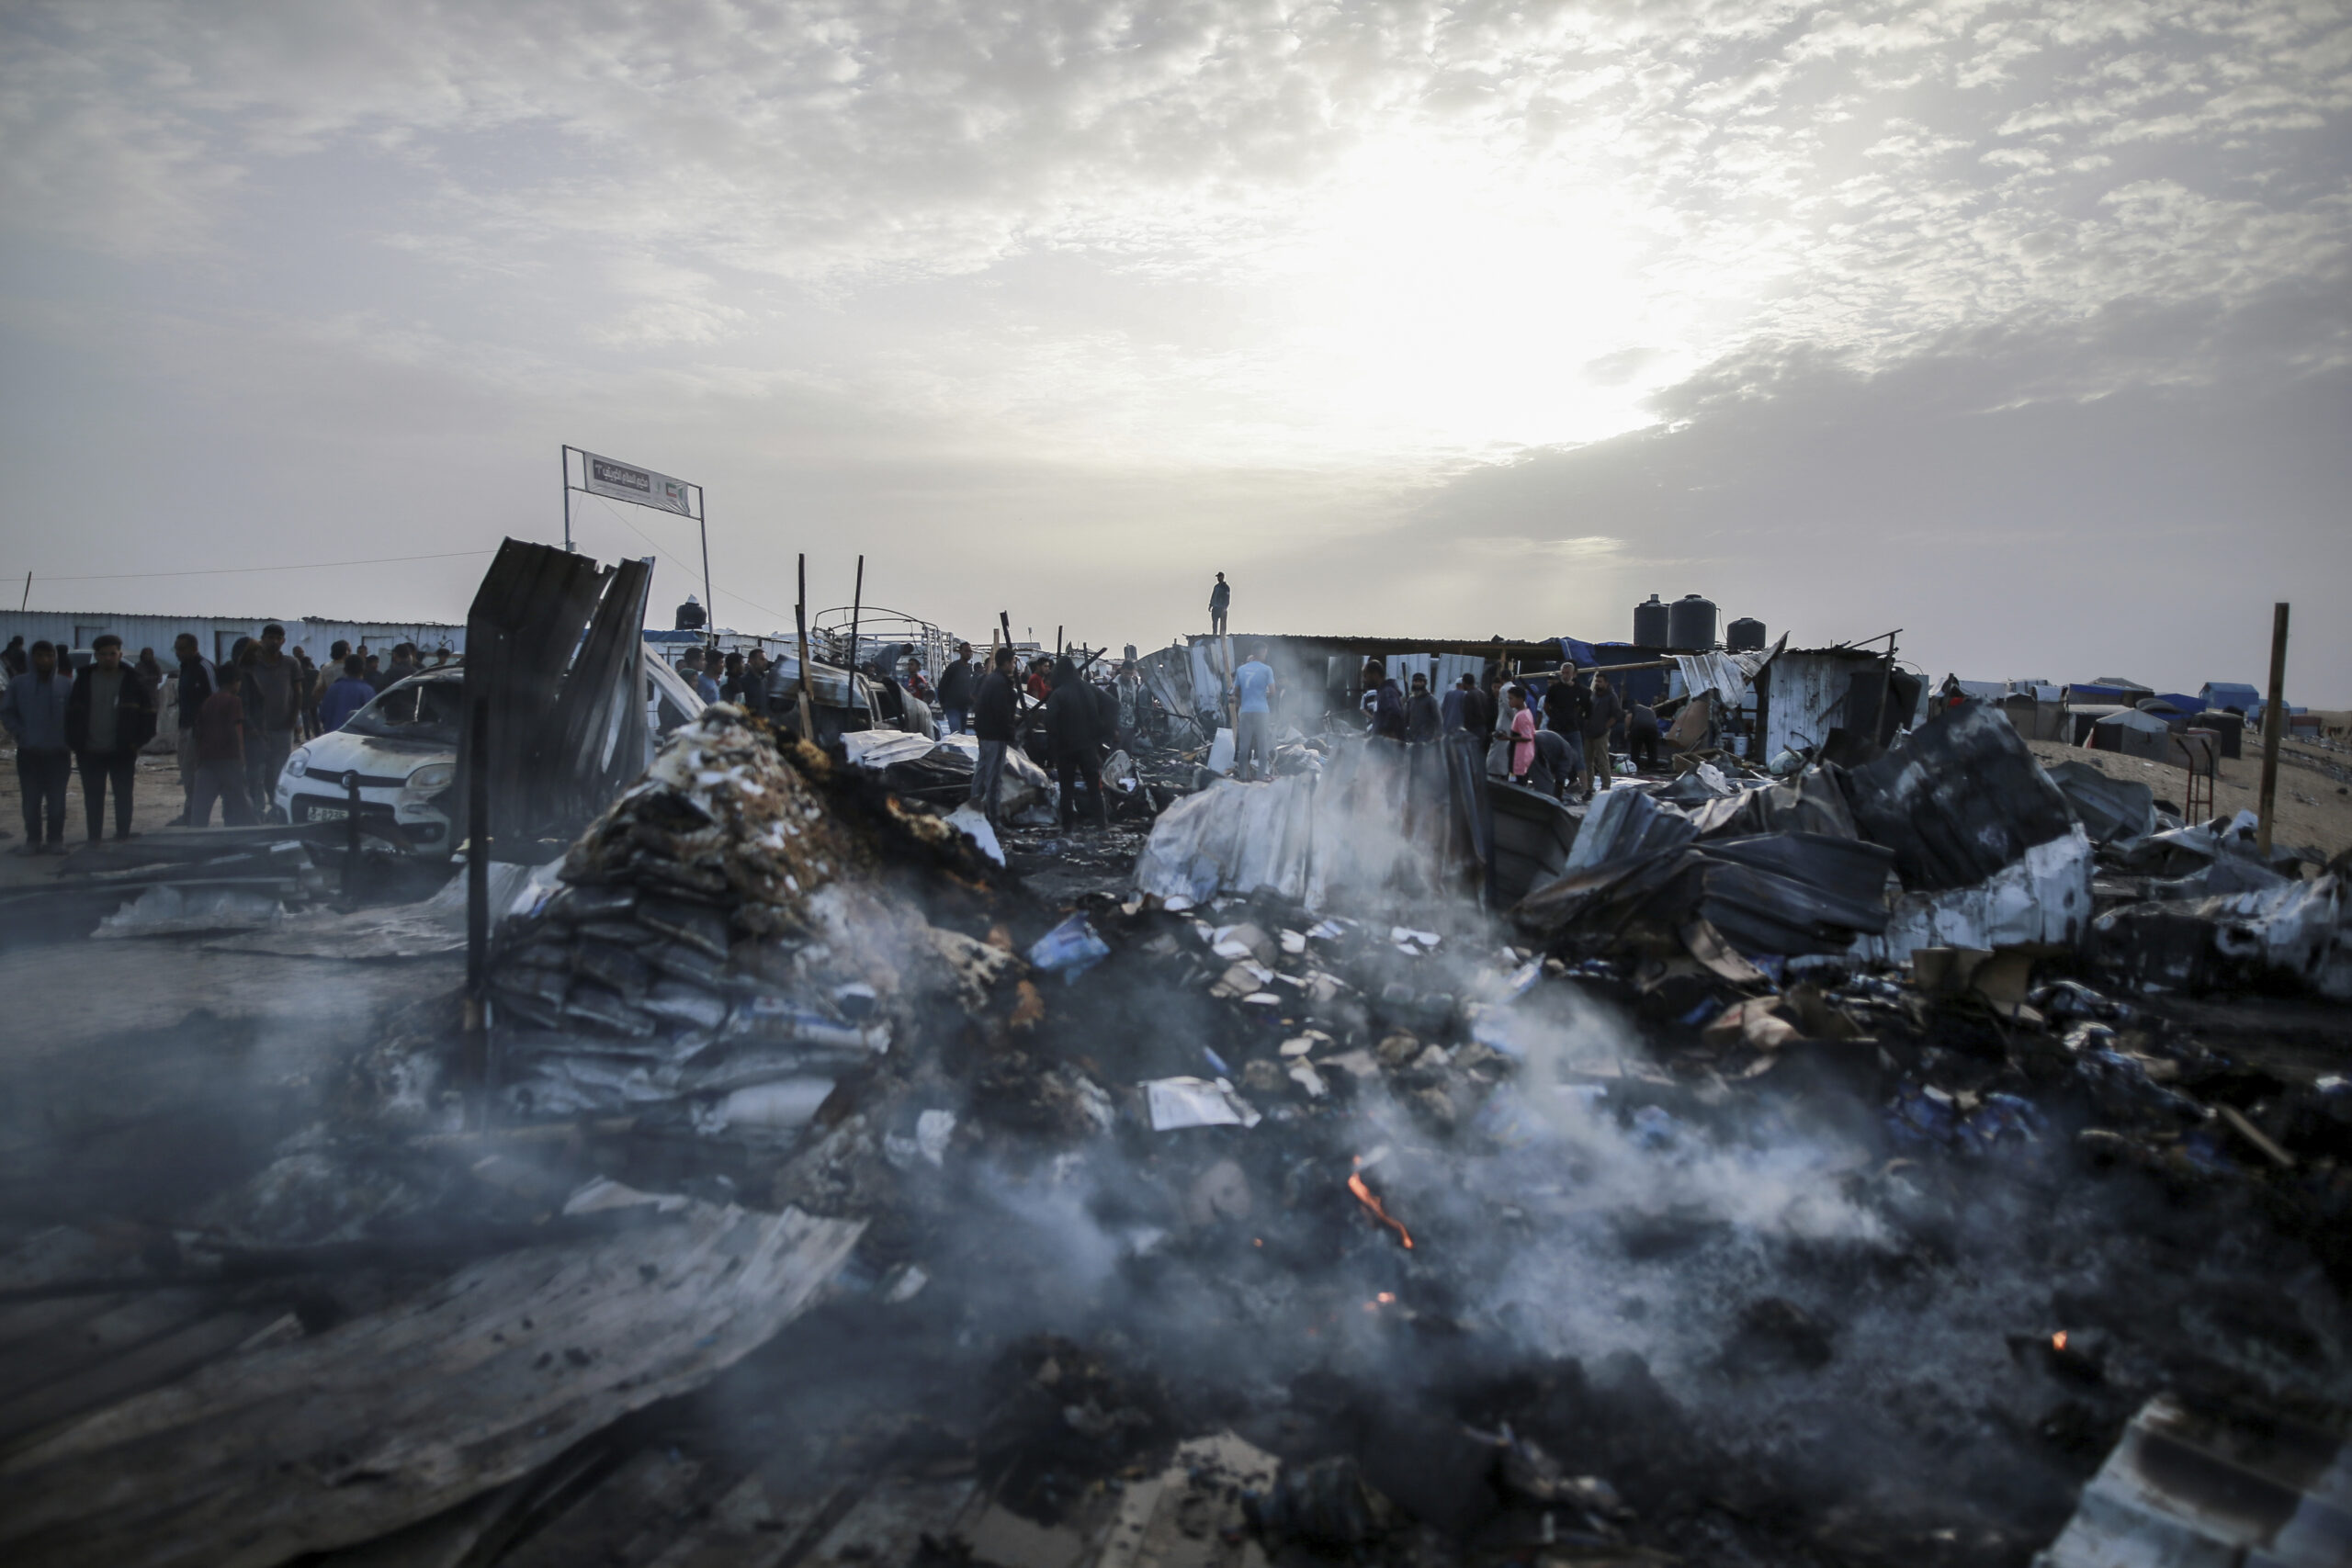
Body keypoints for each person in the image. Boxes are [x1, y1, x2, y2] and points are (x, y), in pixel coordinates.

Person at [65, 634, 157, 842]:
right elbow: (71, 714)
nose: (108, 658)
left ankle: (123, 835)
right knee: (93, 798)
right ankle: (94, 839)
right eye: (104, 654)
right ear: (96, 655)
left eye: (112, 654)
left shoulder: (133, 681)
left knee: (123, 796)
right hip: (89, 751)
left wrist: (136, 743)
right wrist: (76, 743)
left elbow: (149, 714)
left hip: (122, 751)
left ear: (120, 655)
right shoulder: (84, 679)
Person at [2, 639, 74, 852]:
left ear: (55, 658)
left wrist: (70, 739)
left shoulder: (65, 684)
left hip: (59, 753)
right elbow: (7, 711)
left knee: (57, 801)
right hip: (29, 752)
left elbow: (77, 715)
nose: (45, 660)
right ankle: (33, 840)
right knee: (31, 801)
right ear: (31, 658)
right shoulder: (19, 684)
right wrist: (20, 733)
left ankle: (55, 840)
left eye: (50, 656)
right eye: (40, 656)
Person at [239, 623, 301, 819]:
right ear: (262, 639)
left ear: (283, 641)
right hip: (257, 730)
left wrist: (292, 719)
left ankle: (277, 811)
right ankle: (256, 812)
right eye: (270, 637)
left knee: (278, 774)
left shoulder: (291, 664)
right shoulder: (252, 664)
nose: (274, 641)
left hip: (282, 729)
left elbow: (298, 692)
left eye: (278, 638)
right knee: (256, 773)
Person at [188, 666, 254, 827]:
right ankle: (253, 834)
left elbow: (198, 731)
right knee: (242, 802)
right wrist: (241, 756)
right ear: (235, 682)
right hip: (229, 759)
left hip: (207, 759)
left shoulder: (208, 701)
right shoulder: (234, 701)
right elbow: (236, 729)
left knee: (200, 807)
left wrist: (198, 758)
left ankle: (195, 839)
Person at [1046, 656, 1108, 829]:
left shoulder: (1058, 694)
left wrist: (1055, 744)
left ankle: (1068, 827)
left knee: (1067, 789)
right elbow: (1107, 708)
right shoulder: (1089, 690)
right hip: (1088, 748)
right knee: (1094, 788)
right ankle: (1101, 824)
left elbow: (1050, 721)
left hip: (1066, 750)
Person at [169, 633, 217, 825]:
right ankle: (190, 814)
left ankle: (195, 817)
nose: (178, 653)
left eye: (182, 649)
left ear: (193, 649)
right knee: (187, 774)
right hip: (185, 728)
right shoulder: (185, 668)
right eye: (177, 649)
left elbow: (215, 698)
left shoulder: (204, 667)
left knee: (196, 776)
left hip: (200, 732)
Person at [970, 646, 1018, 827]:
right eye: (1013, 662)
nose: (1014, 666)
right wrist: (1009, 732)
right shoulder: (1000, 683)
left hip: (985, 734)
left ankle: (974, 811)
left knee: (981, 773)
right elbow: (1001, 712)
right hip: (995, 735)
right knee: (993, 777)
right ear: (1006, 663)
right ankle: (993, 818)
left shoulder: (992, 680)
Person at [1231, 643, 1276, 781]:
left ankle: (1243, 777)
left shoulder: (1241, 669)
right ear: (1263, 652)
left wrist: (1244, 697)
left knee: (1244, 747)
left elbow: (1235, 692)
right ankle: (1261, 778)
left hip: (1245, 711)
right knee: (1262, 746)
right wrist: (1262, 696)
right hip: (1262, 711)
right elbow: (1273, 692)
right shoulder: (1267, 669)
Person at [1579, 673, 1622, 797]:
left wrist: (1605, 727)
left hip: (1601, 734)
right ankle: (1589, 786)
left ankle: (1605, 787)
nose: (1598, 683)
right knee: (1587, 761)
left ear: (1606, 683)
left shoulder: (1611, 697)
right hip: (1589, 732)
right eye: (1596, 681)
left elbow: (1617, 715)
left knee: (1602, 761)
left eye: (1600, 681)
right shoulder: (1593, 695)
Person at [318, 654, 378, 733]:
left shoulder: (332, 688)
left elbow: (323, 714)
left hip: (332, 737)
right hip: (354, 739)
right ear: (363, 669)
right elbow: (372, 719)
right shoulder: (368, 690)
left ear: (344, 670)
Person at [937, 643, 976, 735]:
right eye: (966, 651)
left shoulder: (969, 669)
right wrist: (942, 703)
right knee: (955, 734)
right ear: (960, 652)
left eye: (970, 651)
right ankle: (952, 749)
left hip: (964, 708)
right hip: (952, 707)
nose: (968, 653)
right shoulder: (953, 667)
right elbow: (942, 685)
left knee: (962, 736)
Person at [1504, 685, 1538, 782]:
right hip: (1520, 756)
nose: (1509, 701)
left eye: (1511, 698)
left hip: (1519, 758)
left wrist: (1507, 738)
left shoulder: (1523, 715)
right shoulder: (1523, 713)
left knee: (1517, 784)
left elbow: (1527, 737)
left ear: (1520, 699)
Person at [1405, 671, 1442, 741]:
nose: (1418, 683)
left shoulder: (1431, 700)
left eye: (1420, 681)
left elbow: (1438, 719)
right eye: (1416, 681)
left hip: (1426, 738)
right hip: (1412, 737)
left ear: (1425, 683)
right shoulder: (1411, 700)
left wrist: (1438, 735)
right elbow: (1405, 719)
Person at [1627, 699, 1662, 772]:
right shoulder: (1650, 711)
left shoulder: (1634, 707)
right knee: (1652, 750)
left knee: (1635, 749)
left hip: (1638, 727)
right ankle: (1652, 768)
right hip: (1653, 728)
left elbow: (1628, 717)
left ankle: (1634, 767)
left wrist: (1626, 731)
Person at [1208, 572, 1230, 637]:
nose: (1218, 578)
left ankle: (1222, 636)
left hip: (1222, 608)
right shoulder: (1216, 587)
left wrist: (1225, 608)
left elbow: (1227, 598)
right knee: (1214, 623)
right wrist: (1210, 605)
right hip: (1215, 608)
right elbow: (1213, 596)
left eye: (1219, 577)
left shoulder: (1226, 587)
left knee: (1223, 624)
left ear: (1222, 577)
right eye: (1218, 577)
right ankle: (1214, 634)